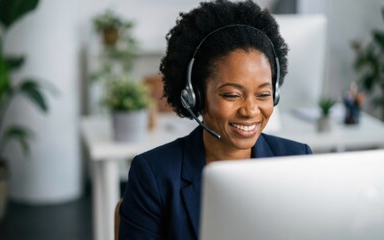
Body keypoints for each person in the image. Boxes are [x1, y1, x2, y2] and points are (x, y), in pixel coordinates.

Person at [118, 0, 313, 239]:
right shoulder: (155, 175)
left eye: (263, 94)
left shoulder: (297, 160)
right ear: (195, 96)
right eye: (232, 95)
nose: (250, 110)